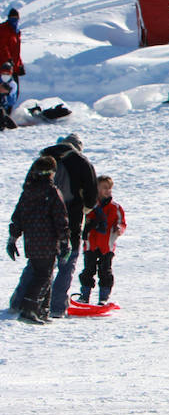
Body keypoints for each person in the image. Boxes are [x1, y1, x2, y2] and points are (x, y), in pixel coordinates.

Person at [41, 133, 99, 318]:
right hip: (70, 220)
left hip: (43, 219)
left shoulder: (46, 158)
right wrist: (85, 210)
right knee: (67, 262)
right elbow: (91, 195)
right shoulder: (81, 162)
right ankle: (57, 306)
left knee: (43, 263)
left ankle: (33, 302)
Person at [6, 156, 69, 324]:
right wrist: (65, 241)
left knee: (44, 274)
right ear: (51, 173)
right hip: (48, 241)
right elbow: (60, 218)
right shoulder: (51, 192)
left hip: (32, 242)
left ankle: (42, 311)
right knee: (43, 275)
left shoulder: (28, 192)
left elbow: (18, 216)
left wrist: (13, 239)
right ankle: (29, 309)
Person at [78, 175, 126, 305]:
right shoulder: (90, 206)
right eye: (104, 187)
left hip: (107, 245)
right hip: (91, 244)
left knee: (105, 271)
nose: (108, 191)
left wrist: (119, 229)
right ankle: (84, 295)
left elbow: (122, 223)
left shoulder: (115, 207)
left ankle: (103, 297)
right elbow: (81, 219)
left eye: (109, 188)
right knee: (88, 270)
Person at [0, 8, 23, 84]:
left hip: (14, 67)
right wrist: (8, 59)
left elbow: (16, 51)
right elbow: (2, 46)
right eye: (12, 18)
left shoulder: (16, 32)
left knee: (14, 90)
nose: (14, 20)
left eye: (16, 18)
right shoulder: (3, 29)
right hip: (3, 68)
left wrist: (20, 64)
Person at [0, 61, 17, 130]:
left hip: (4, 111)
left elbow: (11, 102)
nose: (5, 75)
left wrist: (7, 93)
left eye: (7, 74)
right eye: (3, 73)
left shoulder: (13, 84)